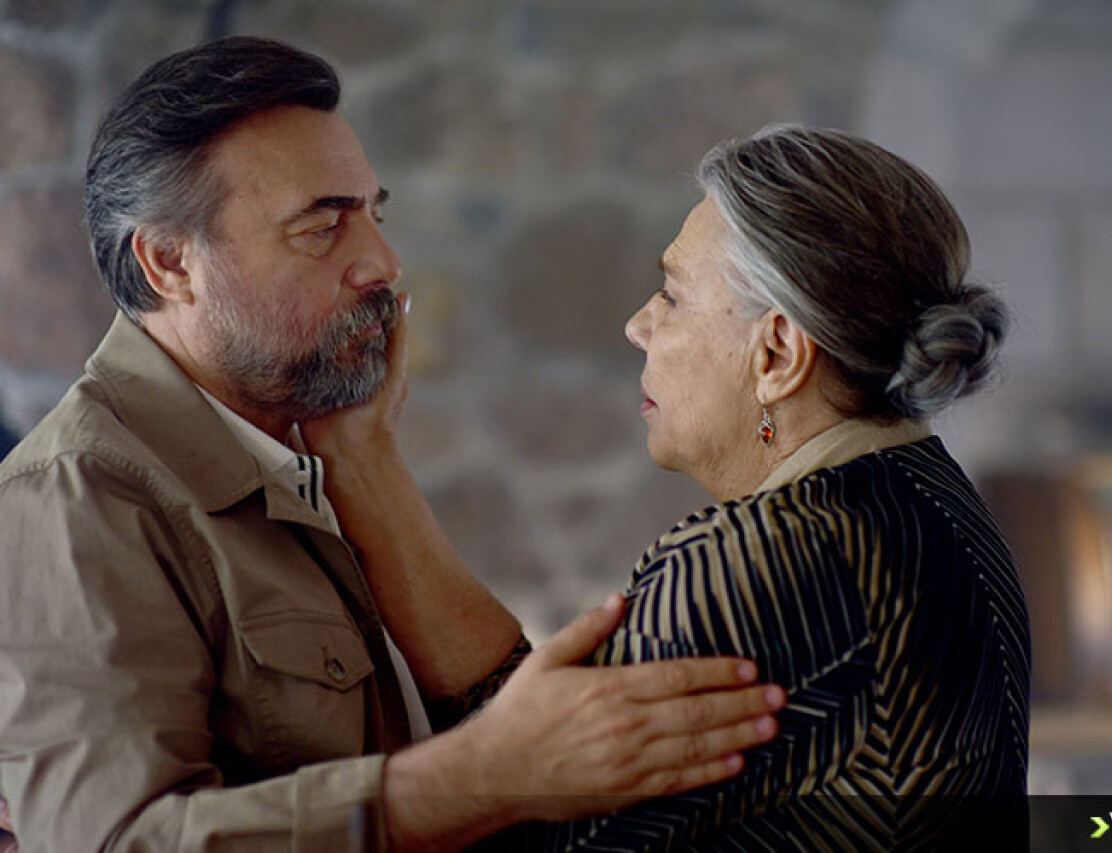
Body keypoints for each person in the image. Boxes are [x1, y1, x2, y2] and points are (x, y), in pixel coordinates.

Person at [0, 37, 788, 853]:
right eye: (322, 227)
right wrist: (478, 774)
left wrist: (364, 463)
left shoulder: (302, 455)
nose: (382, 261)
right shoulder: (76, 499)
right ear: (169, 263)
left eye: (373, 215)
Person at [315, 126, 1032, 850]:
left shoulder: (763, 561)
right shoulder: (936, 501)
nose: (638, 326)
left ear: (777, 354)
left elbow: (513, 828)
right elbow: (545, 744)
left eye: (672, 295)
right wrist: (361, 455)